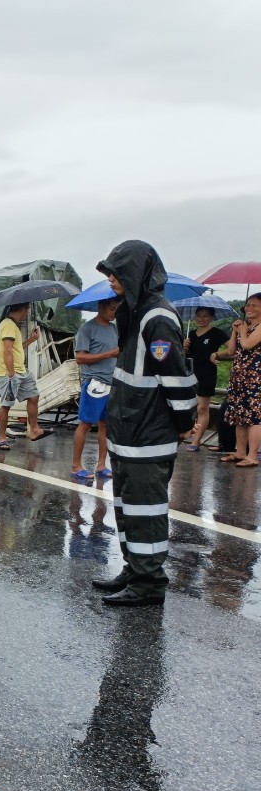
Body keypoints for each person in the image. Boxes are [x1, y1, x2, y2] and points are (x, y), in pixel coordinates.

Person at [90, 240, 196, 606]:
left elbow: (175, 377)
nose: (111, 280)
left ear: (136, 273)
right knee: (128, 508)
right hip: (127, 433)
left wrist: (185, 422)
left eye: (116, 273)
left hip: (149, 435)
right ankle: (135, 570)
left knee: (146, 511)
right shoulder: (133, 312)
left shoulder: (158, 318)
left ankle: (149, 584)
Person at [70, 298, 120, 479]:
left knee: (105, 425)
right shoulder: (87, 328)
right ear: (101, 307)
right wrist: (109, 353)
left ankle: (101, 465)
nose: (114, 312)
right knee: (85, 423)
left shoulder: (114, 328)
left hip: (111, 382)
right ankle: (76, 466)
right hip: (94, 383)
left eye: (116, 309)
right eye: (112, 309)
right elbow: (80, 358)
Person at [0, 302, 49, 448]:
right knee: (6, 405)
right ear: (23, 309)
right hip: (10, 373)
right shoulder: (7, 325)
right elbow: (7, 351)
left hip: (21, 371)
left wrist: (31, 340)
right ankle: (2, 438)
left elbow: (16, 348)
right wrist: (11, 374)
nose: (27, 313)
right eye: (28, 310)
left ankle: (35, 429)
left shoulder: (13, 326)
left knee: (33, 396)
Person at [220, 294, 261, 466]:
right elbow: (231, 350)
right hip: (239, 375)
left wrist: (243, 332)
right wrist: (235, 331)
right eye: (247, 305)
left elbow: (247, 345)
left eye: (255, 305)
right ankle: (240, 452)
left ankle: (252, 456)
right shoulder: (246, 326)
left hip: (255, 376)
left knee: (254, 416)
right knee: (239, 414)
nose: (249, 309)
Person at [183, 306, 230, 452]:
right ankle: (187, 434)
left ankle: (196, 442)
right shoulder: (190, 334)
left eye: (205, 316)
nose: (201, 319)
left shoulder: (216, 333)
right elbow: (185, 356)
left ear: (211, 317)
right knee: (189, 407)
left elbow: (231, 349)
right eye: (198, 316)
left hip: (207, 374)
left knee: (202, 408)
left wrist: (216, 354)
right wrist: (184, 347)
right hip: (190, 374)